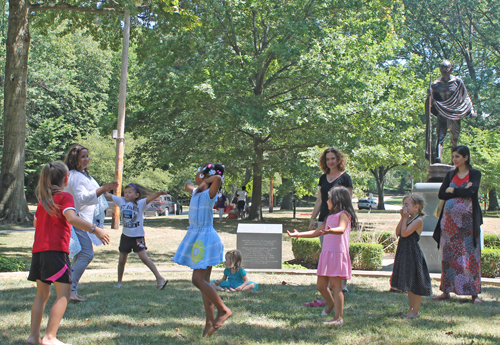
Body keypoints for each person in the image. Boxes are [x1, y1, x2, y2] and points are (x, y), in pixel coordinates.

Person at [27, 162, 110, 345]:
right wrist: (95, 229)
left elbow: (35, 224)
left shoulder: (43, 201)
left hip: (39, 252)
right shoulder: (64, 197)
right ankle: (49, 337)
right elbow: (72, 218)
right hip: (56, 252)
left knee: (41, 295)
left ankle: (33, 337)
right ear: (66, 179)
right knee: (64, 294)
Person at [173, 163, 232, 337]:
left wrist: (205, 180)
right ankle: (209, 323)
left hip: (205, 240)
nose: (196, 176)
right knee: (204, 283)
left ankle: (223, 310)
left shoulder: (209, 194)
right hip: (199, 239)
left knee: (197, 280)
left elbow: (218, 179)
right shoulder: (197, 192)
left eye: (199, 174)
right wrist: (196, 183)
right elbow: (188, 185)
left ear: (206, 177)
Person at [288, 186, 357, 326]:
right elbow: (315, 233)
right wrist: (298, 234)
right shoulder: (329, 217)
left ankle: (338, 318)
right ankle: (330, 305)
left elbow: (342, 229)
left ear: (338, 200)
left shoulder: (344, 214)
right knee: (321, 286)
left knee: (336, 287)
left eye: (330, 198)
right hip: (326, 254)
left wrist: (332, 230)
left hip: (337, 254)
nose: (327, 201)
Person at [64, 145, 118, 302]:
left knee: (80, 255)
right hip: (78, 220)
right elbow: (83, 198)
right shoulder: (74, 175)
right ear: (75, 159)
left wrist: (116, 196)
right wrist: (103, 188)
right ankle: (69, 290)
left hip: (84, 220)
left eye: (87, 156)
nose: (86, 159)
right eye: (83, 156)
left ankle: (70, 290)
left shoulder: (84, 175)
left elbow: (98, 195)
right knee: (86, 254)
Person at [432, 145, 483, 303]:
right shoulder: (450, 174)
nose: (454, 159)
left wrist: (452, 191)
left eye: (457, 156)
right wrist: (459, 190)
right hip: (449, 225)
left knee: (470, 255)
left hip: (468, 224)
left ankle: (474, 293)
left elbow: (471, 192)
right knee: (449, 256)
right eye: (453, 156)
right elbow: (441, 193)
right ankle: (446, 291)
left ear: (466, 157)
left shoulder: (475, 174)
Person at [104, 184, 168, 289]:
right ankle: (119, 282)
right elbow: (108, 195)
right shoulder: (121, 201)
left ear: (137, 195)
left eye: (129, 192)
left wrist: (159, 193)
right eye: (125, 192)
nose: (127, 194)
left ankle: (159, 277)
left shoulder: (141, 203)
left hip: (138, 237)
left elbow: (151, 197)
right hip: (125, 237)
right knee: (121, 260)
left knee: (144, 257)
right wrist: (103, 189)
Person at [309, 147, 353, 293]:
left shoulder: (345, 177)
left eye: (333, 158)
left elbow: (348, 201)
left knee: (340, 250)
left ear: (338, 159)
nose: (330, 162)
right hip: (324, 219)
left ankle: (342, 284)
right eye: (327, 159)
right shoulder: (323, 178)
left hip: (339, 219)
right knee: (326, 251)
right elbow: (319, 200)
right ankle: (328, 282)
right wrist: (313, 218)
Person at [426, 60, 476, 163]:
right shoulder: (435, 84)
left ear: (450, 69)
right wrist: (429, 95)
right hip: (442, 114)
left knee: (455, 139)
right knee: (440, 137)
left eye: (446, 69)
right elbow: (431, 103)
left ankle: (454, 161)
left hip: (454, 114)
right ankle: (438, 158)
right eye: (442, 69)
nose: (444, 71)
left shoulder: (457, 82)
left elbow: (466, 97)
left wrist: (471, 110)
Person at [391, 194, 432, 319]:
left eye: (407, 205)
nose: (404, 207)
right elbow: (398, 232)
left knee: (416, 282)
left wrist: (404, 219)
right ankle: (411, 309)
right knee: (409, 283)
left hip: (412, 252)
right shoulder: (407, 219)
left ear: (416, 207)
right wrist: (402, 218)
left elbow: (405, 233)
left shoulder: (418, 220)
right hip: (404, 252)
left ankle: (416, 310)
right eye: (403, 204)